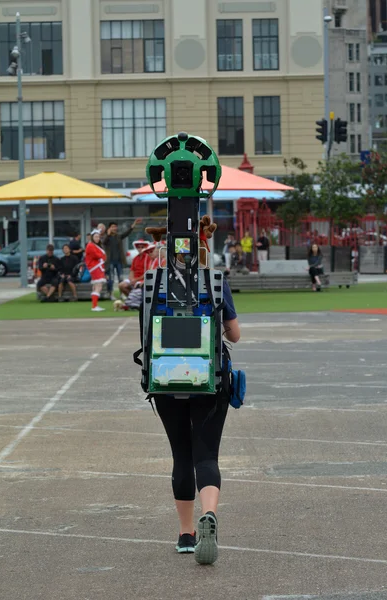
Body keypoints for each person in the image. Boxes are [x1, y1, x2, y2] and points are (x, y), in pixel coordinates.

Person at [144, 217, 241, 564]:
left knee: (181, 456)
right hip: (209, 378)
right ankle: (210, 513)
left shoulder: (154, 282)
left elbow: (145, 330)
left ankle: (186, 534)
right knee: (207, 455)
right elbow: (235, 334)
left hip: (166, 380)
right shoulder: (215, 280)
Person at [103, 218, 142, 295]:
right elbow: (104, 242)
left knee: (121, 278)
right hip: (110, 261)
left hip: (119, 261)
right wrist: (107, 234)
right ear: (109, 228)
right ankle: (110, 293)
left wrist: (134, 224)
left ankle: (122, 293)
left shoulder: (118, 236)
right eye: (113, 227)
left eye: (115, 227)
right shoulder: (106, 237)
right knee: (111, 278)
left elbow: (127, 233)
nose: (114, 228)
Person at [85, 230, 107, 312]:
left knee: (96, 286)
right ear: (92, 237)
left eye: (98, 237)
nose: (97, 238)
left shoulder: (93, 245)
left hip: (96, 266)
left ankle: (95, 305)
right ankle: (94, 306)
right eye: (96, 237)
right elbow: (97, 255)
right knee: (98, 286)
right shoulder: (90, 245)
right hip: (95, 267)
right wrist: (102, 255)